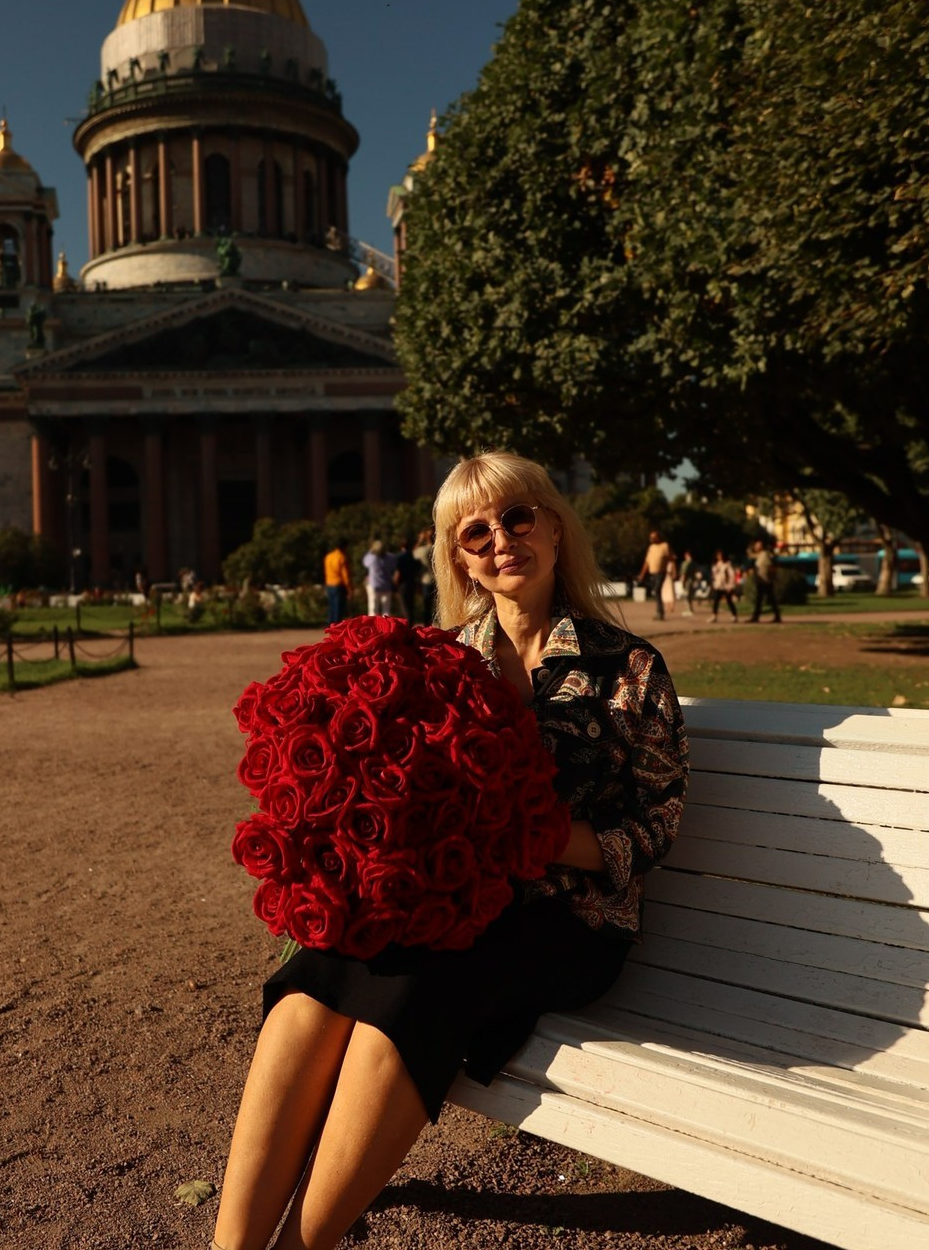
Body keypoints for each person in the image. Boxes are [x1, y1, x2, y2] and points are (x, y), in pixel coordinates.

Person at [213, 450, 689, 1250]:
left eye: (518, 517)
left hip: (570, 921)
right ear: (457, 558)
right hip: (446, 901)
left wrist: (548, 841)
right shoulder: (438, 658)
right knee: (319, 969)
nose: (501, 539)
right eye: (476, 532)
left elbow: (658, 824)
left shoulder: (627, 667)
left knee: (420, 984)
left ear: (554, 524)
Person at [636, 529, 674, 620]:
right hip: (652, 574)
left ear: (658, 537)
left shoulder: (664, 546)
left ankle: (660, 613)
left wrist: (673, 570)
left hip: (661, 572)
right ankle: (659, 612)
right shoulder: (651, 548)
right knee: (656, 592)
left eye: (654, 537)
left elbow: (670, 558)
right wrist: (642, 574)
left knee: (657, 590)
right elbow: (647, 562)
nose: (651, 539)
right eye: (651, 537)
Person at [748, 539, 783, 623]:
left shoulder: (765, 554)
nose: (756, 546)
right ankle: (757, 617)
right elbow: (752, 556)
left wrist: (771, 577)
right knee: (762, 599)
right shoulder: (760, 555)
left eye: (757, 545)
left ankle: (775, 616)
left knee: (768, 599)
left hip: (766, 581)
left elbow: (771, 566)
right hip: (761, 581)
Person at [361, 539, 397, 617]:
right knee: (386, 611)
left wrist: (370, 550)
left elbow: (365, 562)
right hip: (387, 586)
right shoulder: (390, 558)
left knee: (373, 610)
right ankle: (386, 628)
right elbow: (394, 567)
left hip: (374, 586)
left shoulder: (371, 558)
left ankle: (373, 627)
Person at [323, 539, 353, 624]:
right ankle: (336, 626)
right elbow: (345, 575)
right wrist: (349, 588)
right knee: (338, 608)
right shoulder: (341, 557)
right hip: (338, 585)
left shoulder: (329, 556)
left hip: (329, 584)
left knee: (331, 607)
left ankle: (330, 625)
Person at [393, 538, 422, 623]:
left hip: (403, 584)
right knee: (411, 605)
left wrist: (395, 584)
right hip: (412, 583)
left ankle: (407, 623)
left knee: (404, 605)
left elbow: (398, 573)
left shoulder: (400, 557)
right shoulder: (413, 557)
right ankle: (411, 622)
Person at [413, 526, 436, 625]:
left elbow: (413, 553)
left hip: (426, 580)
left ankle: (427, 625)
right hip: (438, 580)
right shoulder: (438, 549)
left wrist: (420, 540)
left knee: (427, 605)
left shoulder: (423, 550)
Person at [709, 549, 739, 622]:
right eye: (718, 555)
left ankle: (734, 615)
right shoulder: (715, 564)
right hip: (718, 585)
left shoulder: (727, 564)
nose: (719, 556)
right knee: (716, 601)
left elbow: (731, 575)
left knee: (729, 601)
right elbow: (714, 575)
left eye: (720, 555)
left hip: (726, 586)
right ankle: (714, 616)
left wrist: (730, 586)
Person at [680, 549, 700, 616]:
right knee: (690, 596)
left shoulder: (686, 564)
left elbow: (684, 573)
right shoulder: (694, 563)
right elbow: (698, 574)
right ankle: (690, 608)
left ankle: (688, 609)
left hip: (688, 581)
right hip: (692, 581)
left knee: (686, 595)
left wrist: (682, 580)